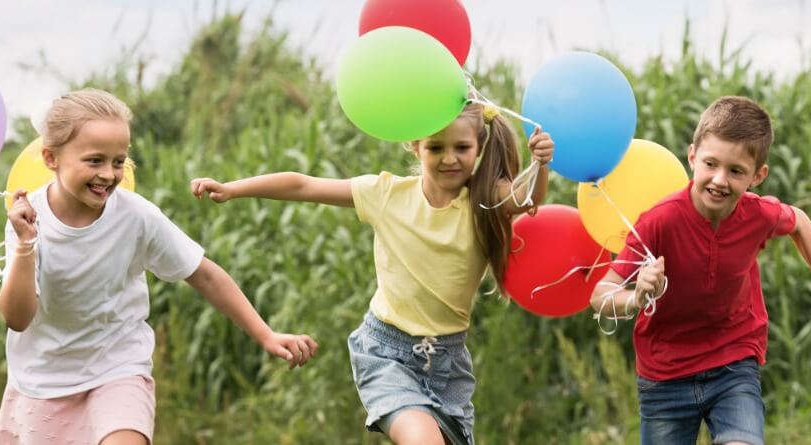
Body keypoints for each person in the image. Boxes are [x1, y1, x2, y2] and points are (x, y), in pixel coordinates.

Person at [190, 103, 554, 445]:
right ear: (415, 147)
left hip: (448, 364)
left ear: (479, 147)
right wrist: (233, 188)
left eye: (461, 147)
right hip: (386, 353)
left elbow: (527, 200)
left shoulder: (485, 201)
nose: (449, 158)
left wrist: (541, 165)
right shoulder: (386, 194)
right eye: (435, 148)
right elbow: (304, 185)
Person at [0, 89, 318, 445]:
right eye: (94, 161)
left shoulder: (136, 216)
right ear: (50, 158)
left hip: (116, 367)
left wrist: (266, 334)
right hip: (43, 380)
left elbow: (204, 274)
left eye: (119, 161)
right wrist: (25, 243)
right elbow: (17, 318)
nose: (108, 174)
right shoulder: (28, 219)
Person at [588, 96, 811, 445]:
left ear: (758, 175)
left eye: (736, 171)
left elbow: (799, 222)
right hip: (664, 376)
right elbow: (600, 295)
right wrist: (636, 297)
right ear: (693, 157)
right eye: (711, 164)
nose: (719, 179)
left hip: (733, 362)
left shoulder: (757, 215)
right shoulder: (659, 221)